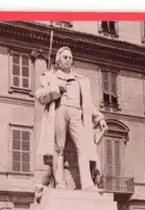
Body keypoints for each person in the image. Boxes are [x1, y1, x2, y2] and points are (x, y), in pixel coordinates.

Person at [35, 46, 107, 194]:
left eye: (70, 58)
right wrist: (55, 90)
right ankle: (60, 182)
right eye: (65, 57)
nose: (68, 60)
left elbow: (87, 104)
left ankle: (87, 183)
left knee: (83, 147)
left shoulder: (80, 80)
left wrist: (99, 117)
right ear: (58, 60)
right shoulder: (50, 77)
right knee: (58, 148)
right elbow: (40, 96)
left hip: (76, 113)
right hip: (59, 111)